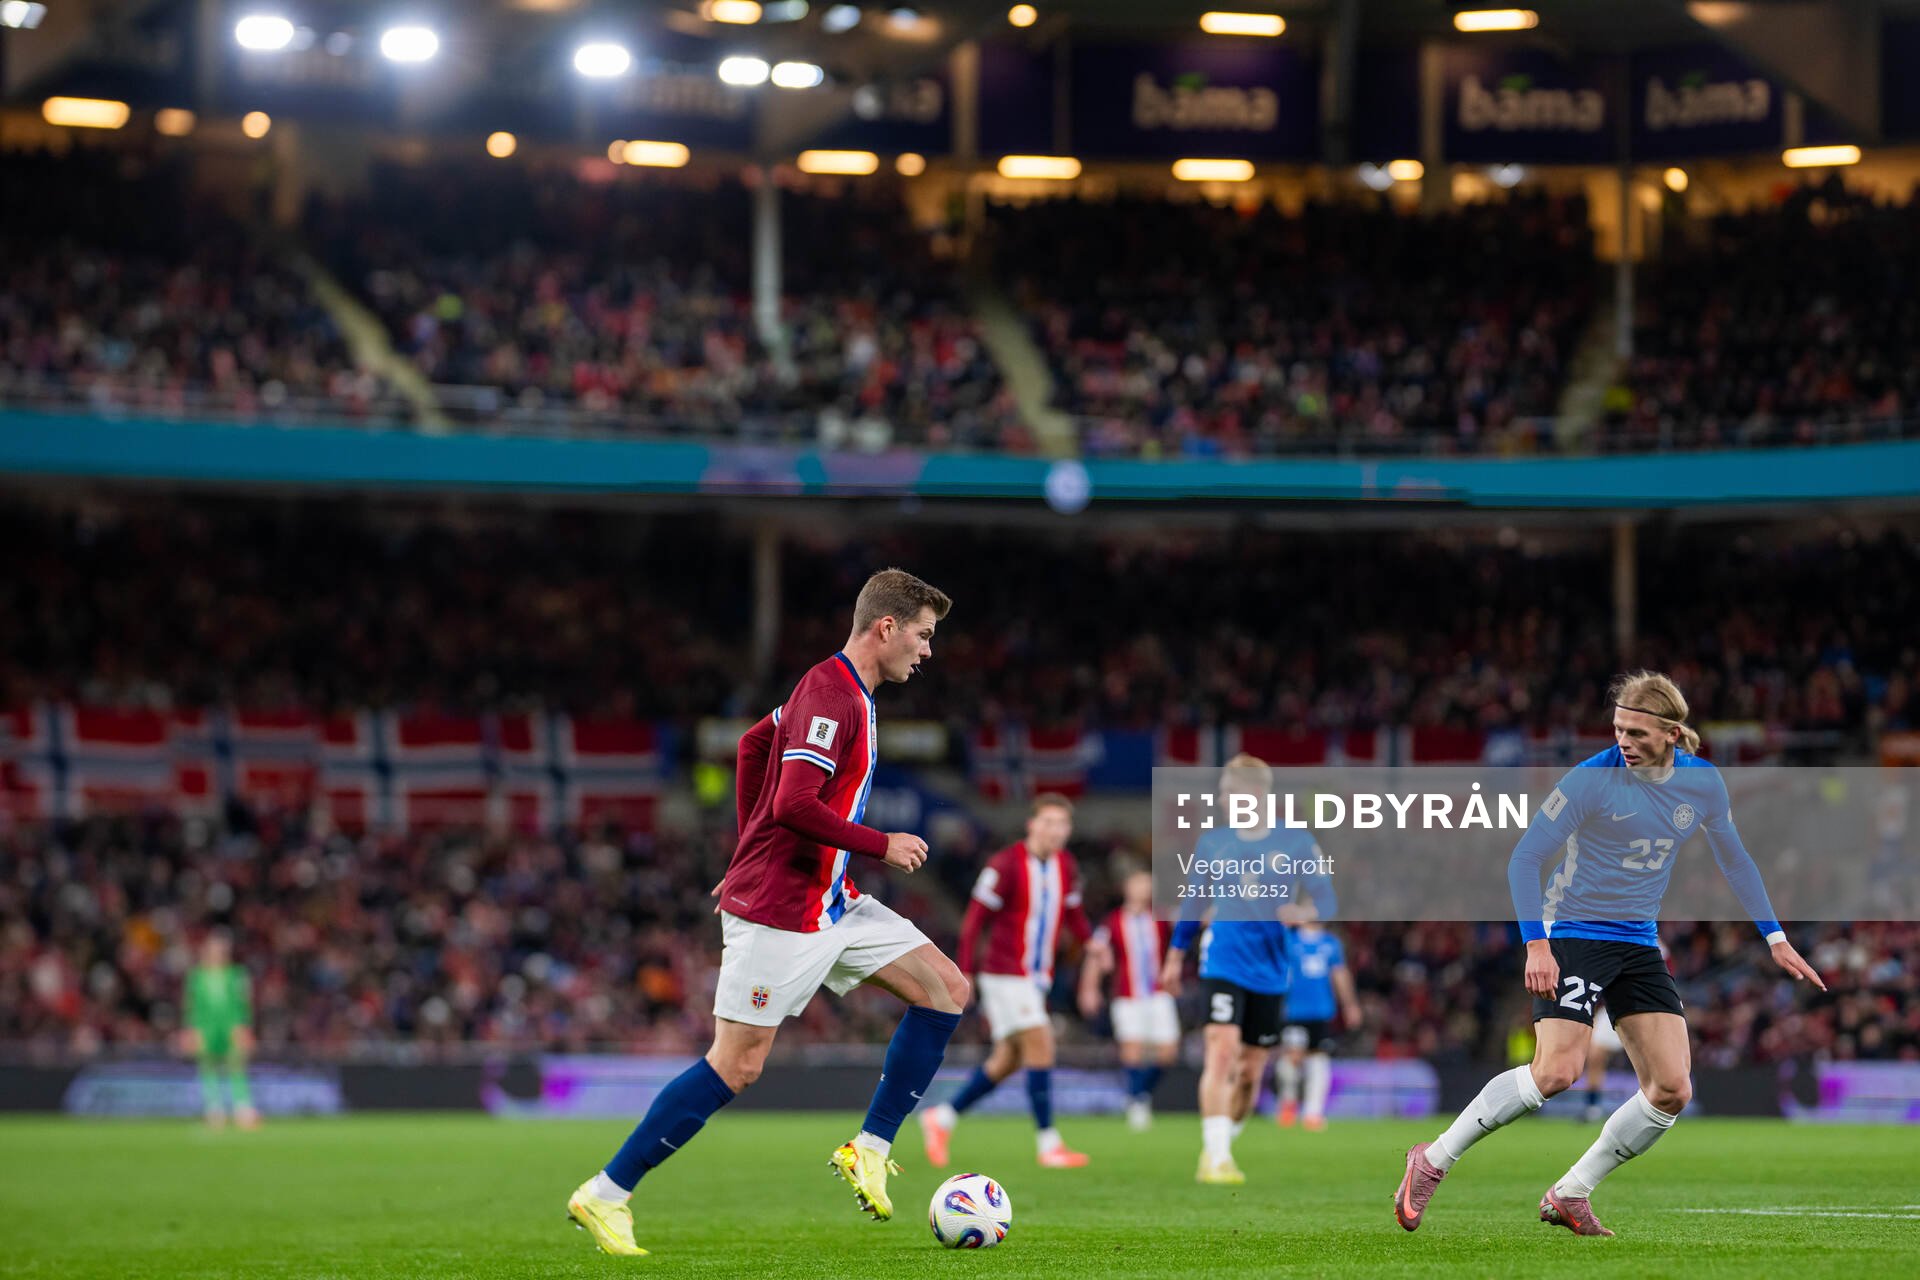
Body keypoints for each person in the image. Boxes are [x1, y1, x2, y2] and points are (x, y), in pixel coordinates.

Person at [566, 569, 971, 1257]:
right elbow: (791, 803)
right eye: (924, 635)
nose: (928, 650)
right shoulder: (831, 694)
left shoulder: (850, 695)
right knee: (736, 1066)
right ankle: (605, 1194)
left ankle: (869, 1147)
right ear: (886, 628)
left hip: (830, 901)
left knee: (946, 989)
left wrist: (748, 838)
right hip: (781, 911)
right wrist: (881, 843)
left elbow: (755, 742)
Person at [1393, 670, 1826, 1238]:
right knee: (1556, 1072)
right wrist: (1537, 944)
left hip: (1637, 941)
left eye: (1637, 732)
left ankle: (1571, 1192)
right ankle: (1433, 1160)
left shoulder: (1703, 783)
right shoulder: (1589, 781)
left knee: (1672, 1089)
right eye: (1618, 727)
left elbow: (1736, 860)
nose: (1622, 740)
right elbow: (1524, 860)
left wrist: (1775, 937)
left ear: (1672, 733)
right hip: (1573, 931)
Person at [1161, 754, 1336, 1185]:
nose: (1221, 799)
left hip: (1272, 970)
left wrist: (1302, 910)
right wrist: (1175, 954)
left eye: (1227, 791)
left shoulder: (1296, 842)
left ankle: (1221, 1145)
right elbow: (1193, 903)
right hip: (1222, 959)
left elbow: (1328, 900)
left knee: (1250, 1073)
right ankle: (1217, 1158)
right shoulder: (1212, 843)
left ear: (1253, 793)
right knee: (1221, 1050)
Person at [921, 793, 1103, 1168]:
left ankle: (941, 1118)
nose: (1055, 831)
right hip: (1005, 974)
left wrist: (1093, 945)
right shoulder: (1005, 864)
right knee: (1041, 1041)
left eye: (1062, 824)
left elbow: (1074, 914)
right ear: (1032, 824)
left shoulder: (1065, 866)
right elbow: (974, 921)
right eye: (1048, 822)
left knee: (1007, 1059)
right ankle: (1048, 1143)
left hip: (1037, 978)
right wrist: (965, 969)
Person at [1077, 868, 1178, 1131]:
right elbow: (1096, 955)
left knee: (1168, 1052)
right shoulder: (1112, 922)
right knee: (1132, 1050)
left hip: (1158, 993)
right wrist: (1089, 988)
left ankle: (1138, 1093)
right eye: (1139, 884)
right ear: (1127, 889)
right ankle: (1137, 1104)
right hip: (1127, 995)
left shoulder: (1161, 918)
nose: (1145, 889)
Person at [1273, 922, 1359, 1131]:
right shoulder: (1288, 939)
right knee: (1290, 1059)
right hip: (1293, 1010)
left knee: (1318, 1058)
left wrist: (1350, 1004)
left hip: (1321, 1011)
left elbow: (1339, 974)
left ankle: (1313, 1113)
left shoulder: (1331, 942)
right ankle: (1288, 1102)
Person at [180, 929, 257, 1130]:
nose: (216, 953)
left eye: (220, 949)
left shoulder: (236, 974)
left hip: (231, 1025)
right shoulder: (196, 977)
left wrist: (244, 1026)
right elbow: (192, 1005)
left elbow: (242, 1003)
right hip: (206, 1027)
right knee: (208, 1067)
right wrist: (191, 1029)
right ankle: (215, 1109)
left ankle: (242, 1108)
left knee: (236, 1066)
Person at [1577, 1004, 1623, 1124]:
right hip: (1610, 1011)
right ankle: (1593, 1107)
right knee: (1595, 1059)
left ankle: (1655, 1105)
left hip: (1639, 1009)